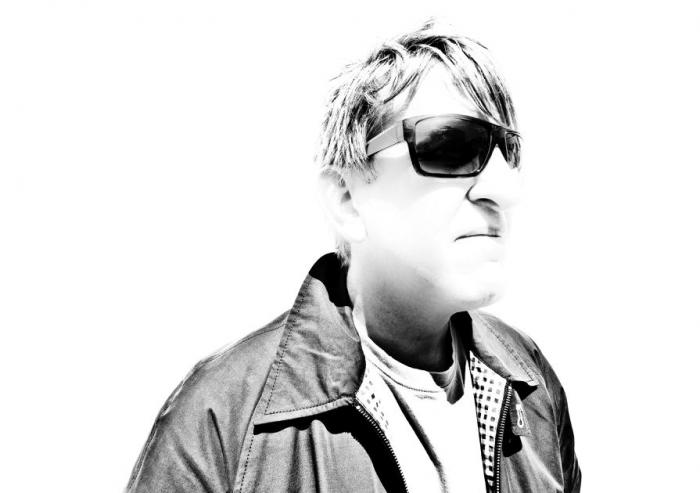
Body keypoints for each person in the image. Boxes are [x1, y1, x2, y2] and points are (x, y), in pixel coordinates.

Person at [127, 21, 581, 493]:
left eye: (508, 152)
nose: (502, 189)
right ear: (346, 200)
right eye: (452, 145)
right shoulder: (222, 418)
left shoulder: (532, 386)